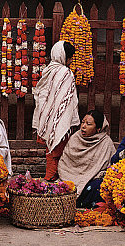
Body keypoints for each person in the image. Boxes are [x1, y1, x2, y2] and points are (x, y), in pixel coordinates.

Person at [32, 41, 80, 182]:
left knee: (51, 150)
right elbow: (68, 99)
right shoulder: (66, 73)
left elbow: (42, 96)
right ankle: (53, 179)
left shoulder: (48, 70)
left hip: (48, 116)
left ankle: (51, 177)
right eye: (70, 57)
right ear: (63, 56)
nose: (71, 61)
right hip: (60, 118)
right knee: (57, 152)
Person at [58, 110, 116, 209]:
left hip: (92, 179)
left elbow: (111, 166)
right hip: (70, 176)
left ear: (98, 128)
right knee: (63, 188)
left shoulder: (106, 142)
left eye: (88, 124)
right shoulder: (75, 138)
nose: (83, 126)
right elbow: (65, 162)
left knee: (98, 186)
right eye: (82, 122)